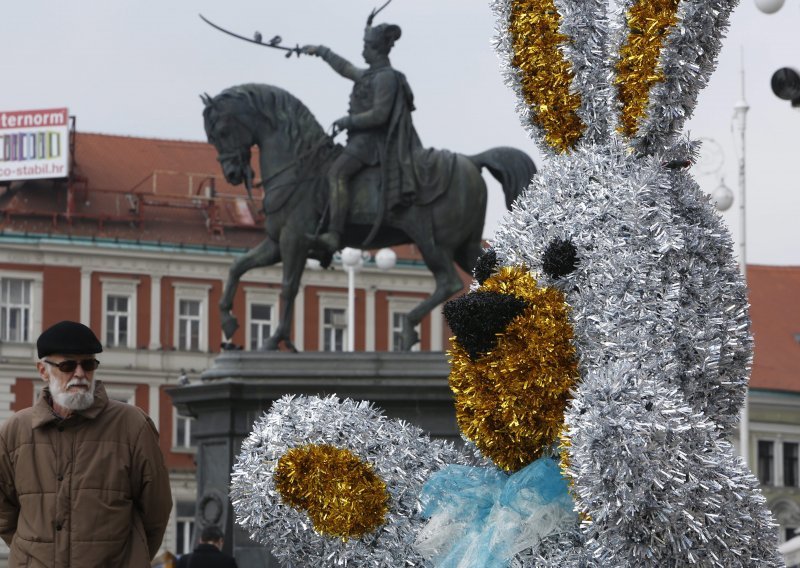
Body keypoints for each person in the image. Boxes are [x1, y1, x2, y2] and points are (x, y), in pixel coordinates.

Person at [0, 320, 172, 566]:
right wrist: (30, 550)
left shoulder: (133, 425)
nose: (79, 374)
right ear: (42, 370)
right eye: (68, 365)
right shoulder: (15, 432)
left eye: (88, 364)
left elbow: (156, 511)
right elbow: (3, 512)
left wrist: (127, 556)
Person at [302, 21, 423, 253]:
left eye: (366, 46)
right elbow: (346, 68)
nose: (362, 51)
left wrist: (348, 121)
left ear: (376, 48)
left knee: (337, 173)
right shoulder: (370, 74)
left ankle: (335, 234)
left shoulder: (385, 78)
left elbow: (379, 115)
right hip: (360, 140)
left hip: (372, 143)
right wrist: (321, 51)